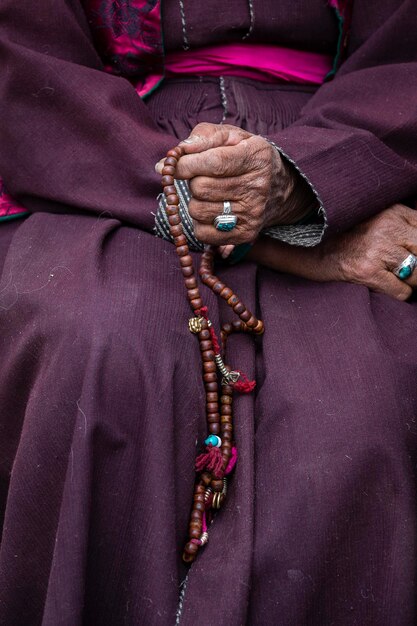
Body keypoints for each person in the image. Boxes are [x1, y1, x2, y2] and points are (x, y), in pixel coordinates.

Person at [0, 1, 416, 624]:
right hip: (98, 157)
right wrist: (279, 230)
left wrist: (309, 181)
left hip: (356, 148)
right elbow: (22, 63)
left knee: (371, 393)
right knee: (92, 344)